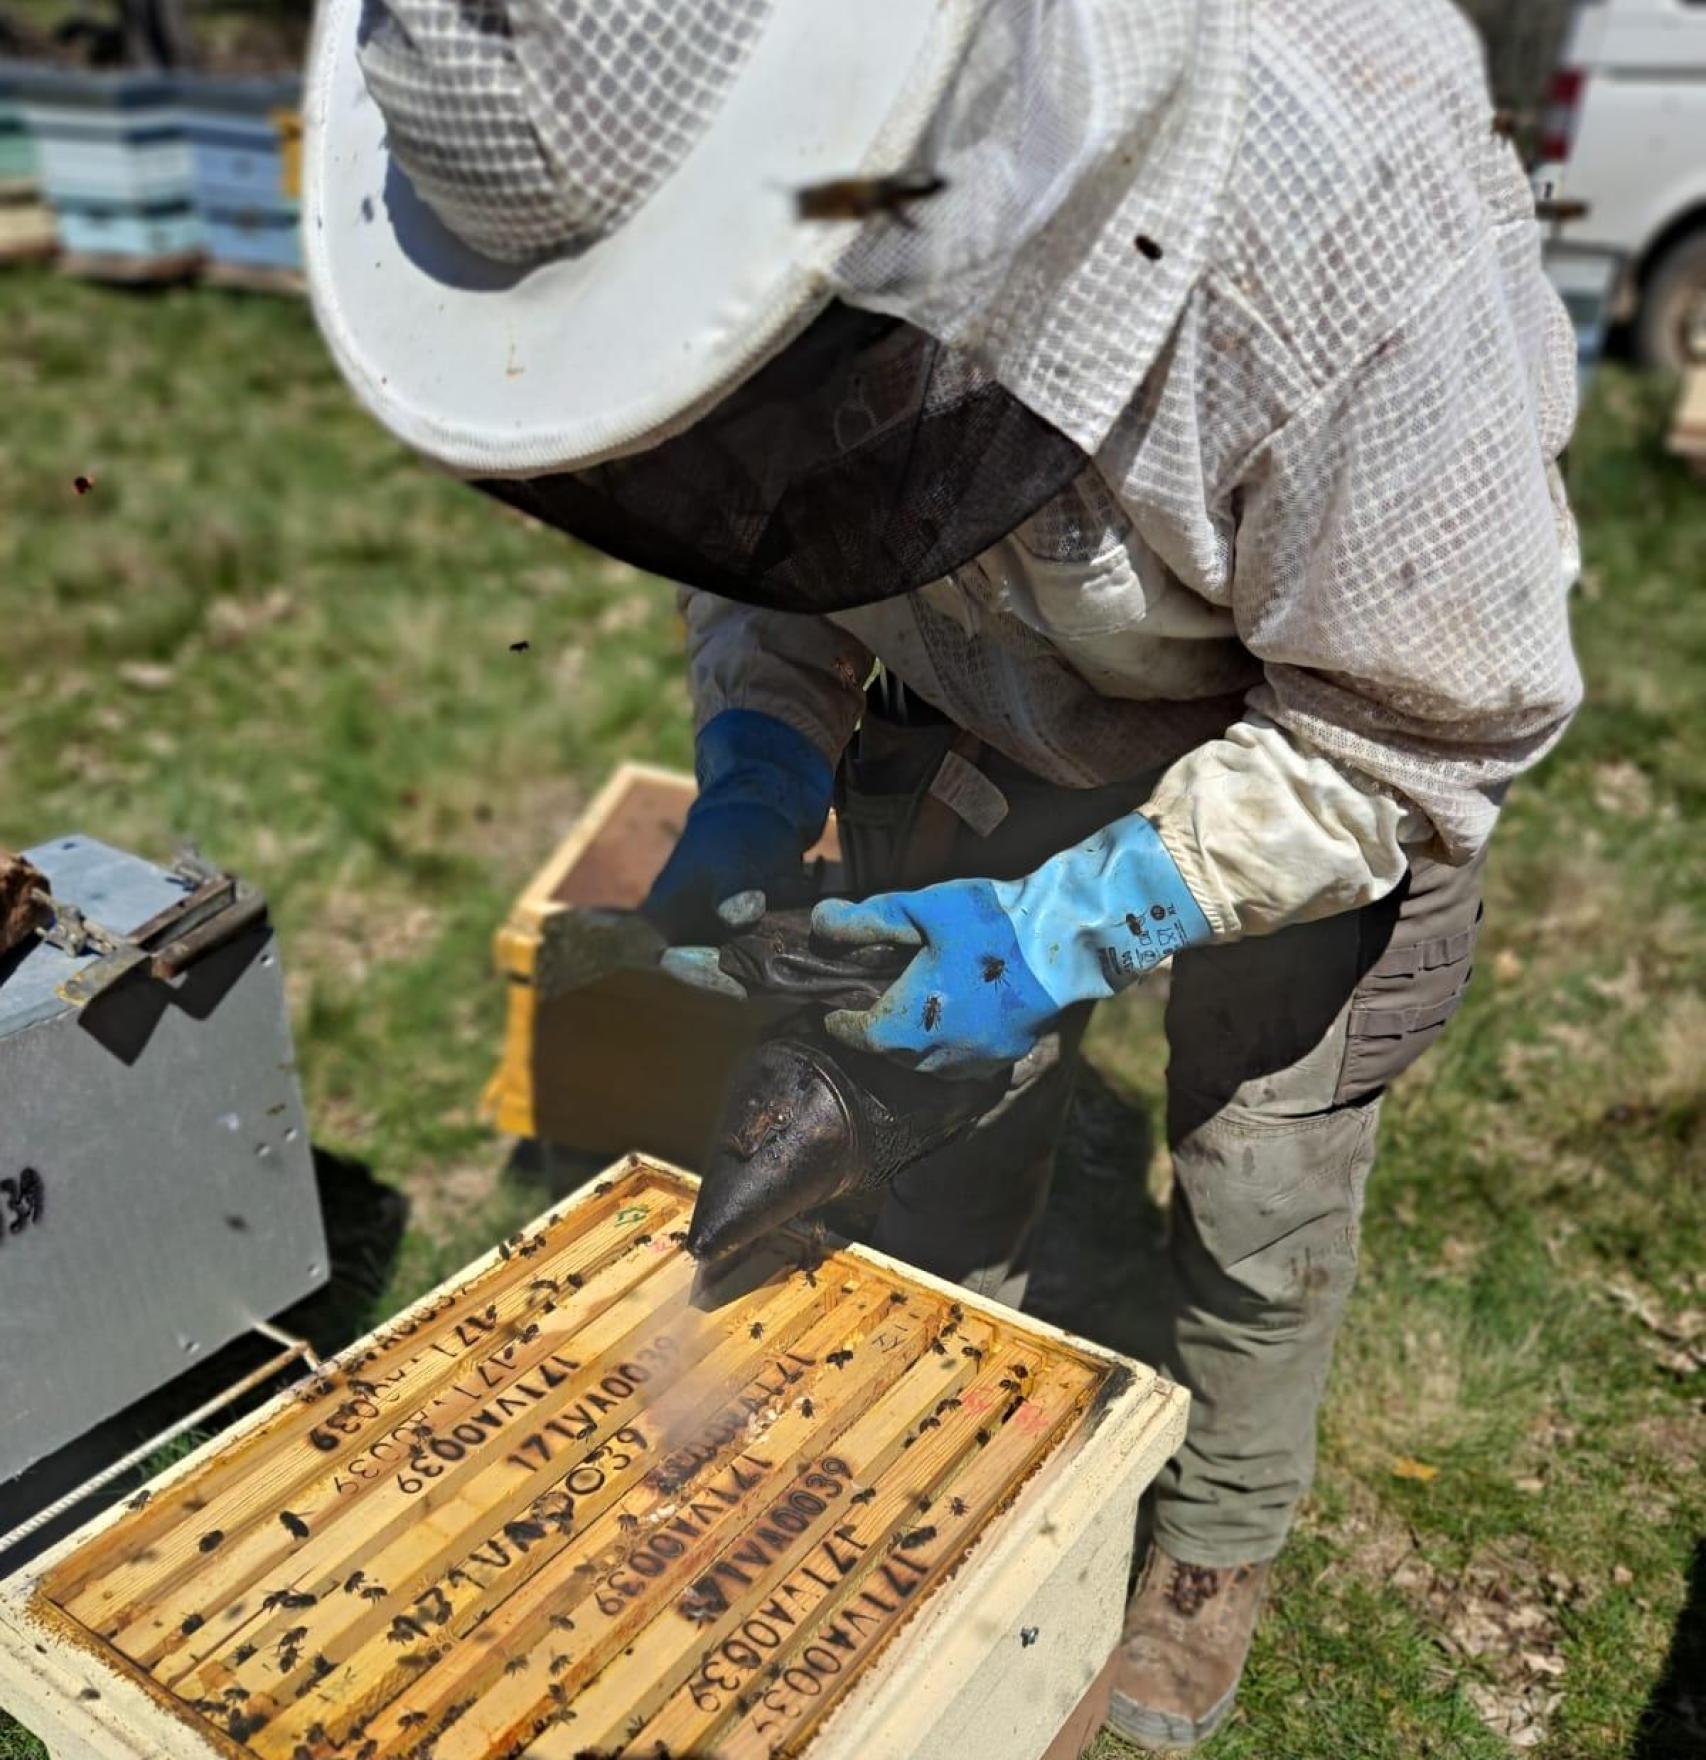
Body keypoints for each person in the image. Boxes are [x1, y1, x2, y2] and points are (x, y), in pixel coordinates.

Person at [303, 0, 1582, 1744]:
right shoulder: (765, 264)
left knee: (1261, 1182)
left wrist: (1070, 926)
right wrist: (758, 764)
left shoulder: (1340, 216)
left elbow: (1407, 738)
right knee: (938, 1106)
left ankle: (1209, 1559)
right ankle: (946, 1442)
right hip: (986, 722)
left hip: (1313, 730)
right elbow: (764, 508)